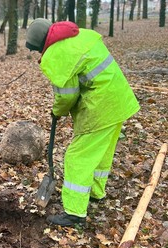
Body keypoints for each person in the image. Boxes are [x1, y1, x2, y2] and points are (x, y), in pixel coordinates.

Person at [26, 19, 140, 227]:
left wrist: (57, 111)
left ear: (41, 43)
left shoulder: (58, 54)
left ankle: (74, 212)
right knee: (101, 153)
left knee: (77, 157)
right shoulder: (79, 36)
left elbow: (67, 96)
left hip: (100, 107)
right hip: (119, 100)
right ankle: (96, 193)